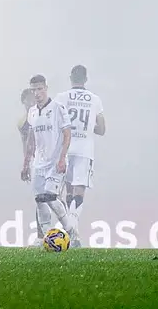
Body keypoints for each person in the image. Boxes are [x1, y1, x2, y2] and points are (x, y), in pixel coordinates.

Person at [21, 74, 75, 248]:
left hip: (55, 162)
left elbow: (67, 134)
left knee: (50, 197)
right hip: (39, 163)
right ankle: (44, 237)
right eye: (33, 90)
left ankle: (71, 231)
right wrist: (26, 163)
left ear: (46, 88)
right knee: (39, 200)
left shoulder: (58, 108)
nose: (37, 93)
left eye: (39, 89)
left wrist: (62, 159)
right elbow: (31, 138)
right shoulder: (32, 112)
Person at [61, 65, 107, 237]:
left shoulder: (62, 98)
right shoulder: (95, 99)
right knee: (79, 190)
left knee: (68, 189)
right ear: (86, 79)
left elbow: (57, 121)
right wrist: (88, 127)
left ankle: (69, 227)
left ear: (70, 78)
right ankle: (73, 226)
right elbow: (102, 129)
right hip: (84, 150)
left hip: (65, 149)